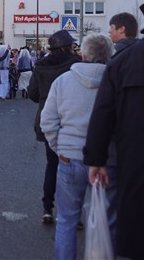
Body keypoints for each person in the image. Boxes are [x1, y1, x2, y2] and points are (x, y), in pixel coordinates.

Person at [84, 0, 144, 259]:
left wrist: (96, 160)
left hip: (137, 166)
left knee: (142, 239)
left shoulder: (122, 61)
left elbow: (102, 114)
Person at [41, 33, 117, 260]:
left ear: (82, 54)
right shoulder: (116, 82)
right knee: (108, 221)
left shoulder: (63, 82)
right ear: (110, 55)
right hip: (107, 161)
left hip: (69, 159)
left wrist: (61, 148)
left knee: (66, 220)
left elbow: (48, 122)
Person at [28, 30, 81, 223]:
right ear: (68, 46)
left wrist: (45, 98)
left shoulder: (41, 66)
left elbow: (33, 93)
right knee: (73, 167)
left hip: (47, 120)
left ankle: (47, 208)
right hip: (71, 120)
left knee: (52, 165)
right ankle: (74, 213)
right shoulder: (76, 64)